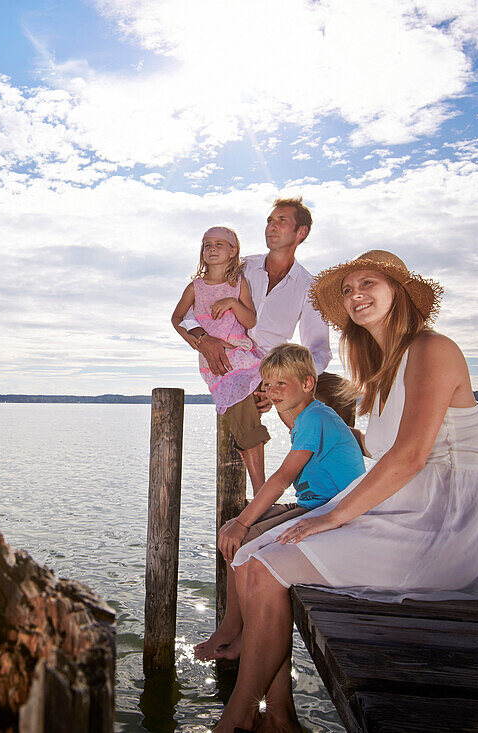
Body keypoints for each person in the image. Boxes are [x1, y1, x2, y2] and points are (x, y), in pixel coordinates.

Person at [215, 250, 478, 733]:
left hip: (445, 523)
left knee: (267, 567)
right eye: (349, 290)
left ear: (400, 293)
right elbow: (376, 444)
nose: (356, 295)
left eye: (368, 284)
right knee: (250, 557)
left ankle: (239, 717)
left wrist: (331, 517)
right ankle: (280, 713)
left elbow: (410, 455)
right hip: (403, 507)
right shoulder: (384, 373)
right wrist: (300, 410)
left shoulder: (433, 349)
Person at [194, 343, 364, 664]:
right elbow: (284, 410)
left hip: (332, 513)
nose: (271, 392)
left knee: (243, 538)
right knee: (233, 530)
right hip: (314, 505)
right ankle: (235, 626)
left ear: (308, 384)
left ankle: (239, 632)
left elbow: (282, 478)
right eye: (267, 384)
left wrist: (245, 522)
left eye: (280, 384)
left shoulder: (314, 418)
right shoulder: (306, 415)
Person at [181, 198, 355, 497]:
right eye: (269, 220)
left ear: (301, 233)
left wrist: (281, 381)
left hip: (276, 364)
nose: (271, 226)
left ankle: (332, 488)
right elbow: (190, 308)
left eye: (281, 221)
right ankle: (262, 498)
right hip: (229, 357)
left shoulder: (309, 286)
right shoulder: (240, 266)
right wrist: (203, 340)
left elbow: (318, 349)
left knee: (338, 393)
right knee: (242, 400)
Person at [172, 227, 267, 485]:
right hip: (220, 362)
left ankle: (270, 484)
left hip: (243, 355)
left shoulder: (238, 284)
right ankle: (262, 489)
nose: (212, 249)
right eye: (207, 245)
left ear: (233, 251)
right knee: (244, 415)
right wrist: (196, 341)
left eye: (219, 244)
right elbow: (177, 318)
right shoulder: (196, 287)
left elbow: (250, 320)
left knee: (264, 395)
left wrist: (233, 303)